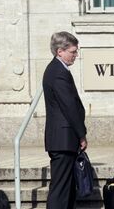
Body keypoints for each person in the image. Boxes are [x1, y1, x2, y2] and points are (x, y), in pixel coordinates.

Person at [43, 32, 87, 209]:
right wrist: (81, 134)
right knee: (61, 189)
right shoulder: (58, 72)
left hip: (63, 139)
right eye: (73, 51)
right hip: (63, 139)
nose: (76, 55)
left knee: (67, 188)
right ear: (60, 51)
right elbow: (69, 106)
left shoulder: (58, 70)